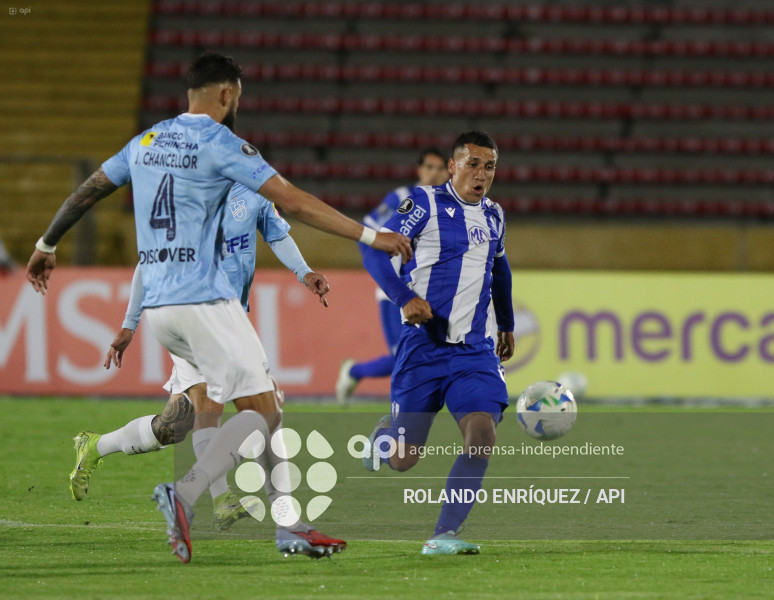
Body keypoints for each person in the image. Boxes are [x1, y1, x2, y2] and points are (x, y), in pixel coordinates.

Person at [25, 52, 411, 563]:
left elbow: (90, 190)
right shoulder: (219, 142)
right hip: (205, 301)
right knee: (266, 409)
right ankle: (186, 495)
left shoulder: (145, 141)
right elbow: (291, 200)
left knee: (260, 407)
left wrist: (47, 245)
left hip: (162, 310)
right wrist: (370, 234)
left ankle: (290, 526)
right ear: (228, 94)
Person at [70, 182, 343, 557]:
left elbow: (277, 234)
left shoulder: (252, 186)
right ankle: (224, 501)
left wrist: (303, 272)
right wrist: (129, 322)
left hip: (218, 316)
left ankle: (96, 446)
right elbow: (148, 260)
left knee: (174, 425)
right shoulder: (185, 190)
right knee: (245, 407)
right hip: (198, 313)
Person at [360, 131, 515, 555]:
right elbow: (373, 251)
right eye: (473, 164)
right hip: (422, 349)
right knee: (403, 458)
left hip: (474, 352)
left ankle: (444, 533)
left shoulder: (495, 216)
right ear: (452, 166)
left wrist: (506, 324)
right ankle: (381, 440)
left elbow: (500, 271)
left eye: (490, 166)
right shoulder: (424, 204)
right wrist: (404, 297)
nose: (481, 174)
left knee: (482, 433)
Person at [335, 148, 449, 404]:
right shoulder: (401, 197)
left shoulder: (447, 203)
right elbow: (367, 233)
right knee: (401, 355)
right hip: (395, 291)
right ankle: (354, 372)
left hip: (428, 290)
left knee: (430, 352)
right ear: (420, 170)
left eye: (440, 168)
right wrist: (382, 272)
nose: (434, 173)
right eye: (429, 167)